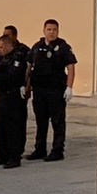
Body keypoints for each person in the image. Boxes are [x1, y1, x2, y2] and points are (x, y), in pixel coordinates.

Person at [25, 19, 77, 162]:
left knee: (57, 121)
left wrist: (69, 87)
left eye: (54, 29)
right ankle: (40, 149)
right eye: (49, 29)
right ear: (44, 30)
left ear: (58, 31)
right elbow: (29, 67)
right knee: (41, 121)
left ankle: (57, 150)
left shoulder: (63, 47)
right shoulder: (37, 46)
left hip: (56, 90)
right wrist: (26, 86)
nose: (51, 32)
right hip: (40, 90)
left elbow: (71, 67)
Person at [0, 34, 29, 168]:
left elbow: (13, 77)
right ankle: (3, 155)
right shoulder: (2, 59)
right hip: (3, 96)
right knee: (2, 126)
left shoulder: (17, 58)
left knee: (13, 128)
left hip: (14, 96)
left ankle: (14, 157)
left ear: (8, 46)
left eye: (1, 47)